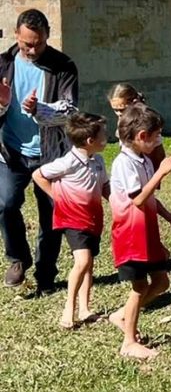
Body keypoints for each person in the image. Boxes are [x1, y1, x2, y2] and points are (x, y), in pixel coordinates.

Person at [0, 8, 79, 290]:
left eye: (39, 43)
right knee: (5, 204)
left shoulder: (63, 65)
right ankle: (18, 259)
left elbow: (70, 110)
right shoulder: (4, 64)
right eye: (26, 43)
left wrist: (39, 109)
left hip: (50, 153)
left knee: (50, 216)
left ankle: (46, 273)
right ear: (16, 36)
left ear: (47, 37)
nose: (32, 49)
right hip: (11, 151)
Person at [108, 105, 171, 359]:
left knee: (161, 282)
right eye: (156, 136)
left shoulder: (142, 159)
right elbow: (137, 199)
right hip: (130, 235)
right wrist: (161, 172)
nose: (159, 141)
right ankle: (128, 342)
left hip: (146, 231)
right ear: (142, 136)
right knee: (139, 286)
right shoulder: (124, 163)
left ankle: (123, 315)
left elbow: (150, 199)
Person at [31, 112, 109, 329]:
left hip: (93, 218)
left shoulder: (98, 161)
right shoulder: (68, 162)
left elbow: (104, 187)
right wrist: (58, 197)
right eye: (104, 134)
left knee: (89, 264)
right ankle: (69, 309)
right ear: (90, 141)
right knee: (82, 261)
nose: (107, 136)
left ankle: (84, 309)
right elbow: (39, 174)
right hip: (73, 220)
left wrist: (119, 203)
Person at [107, 83, 165, 169]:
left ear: (134, 102)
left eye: (122, 109)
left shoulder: (144, 121)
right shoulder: (123, 118)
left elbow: (157, 152)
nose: (119, 114)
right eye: (115, 110)